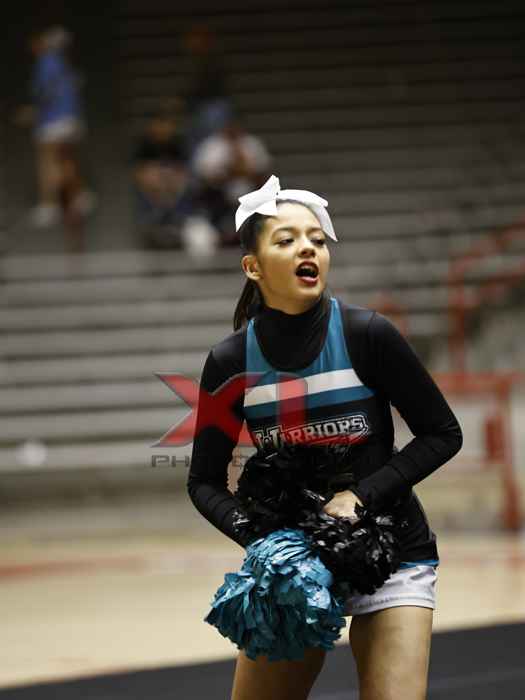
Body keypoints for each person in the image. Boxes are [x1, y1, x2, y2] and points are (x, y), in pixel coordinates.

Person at [187, 175, 463, 700]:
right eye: (287, 240)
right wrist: (264, 541)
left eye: (316, 238)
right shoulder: (230, 361)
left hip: (392, 554)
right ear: (253, 267)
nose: (307, 248)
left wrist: (361, 496)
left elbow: (442, 434)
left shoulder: (367, 334)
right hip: (296, 571)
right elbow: (202, 482)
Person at [191, 118, 271, 246]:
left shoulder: (252, 143)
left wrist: (243, 169)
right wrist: (230, 170)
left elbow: (262, 170)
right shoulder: (211, 145)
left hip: (250, 188)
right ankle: (223, 234)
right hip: (218, 192)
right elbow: (205, 175)